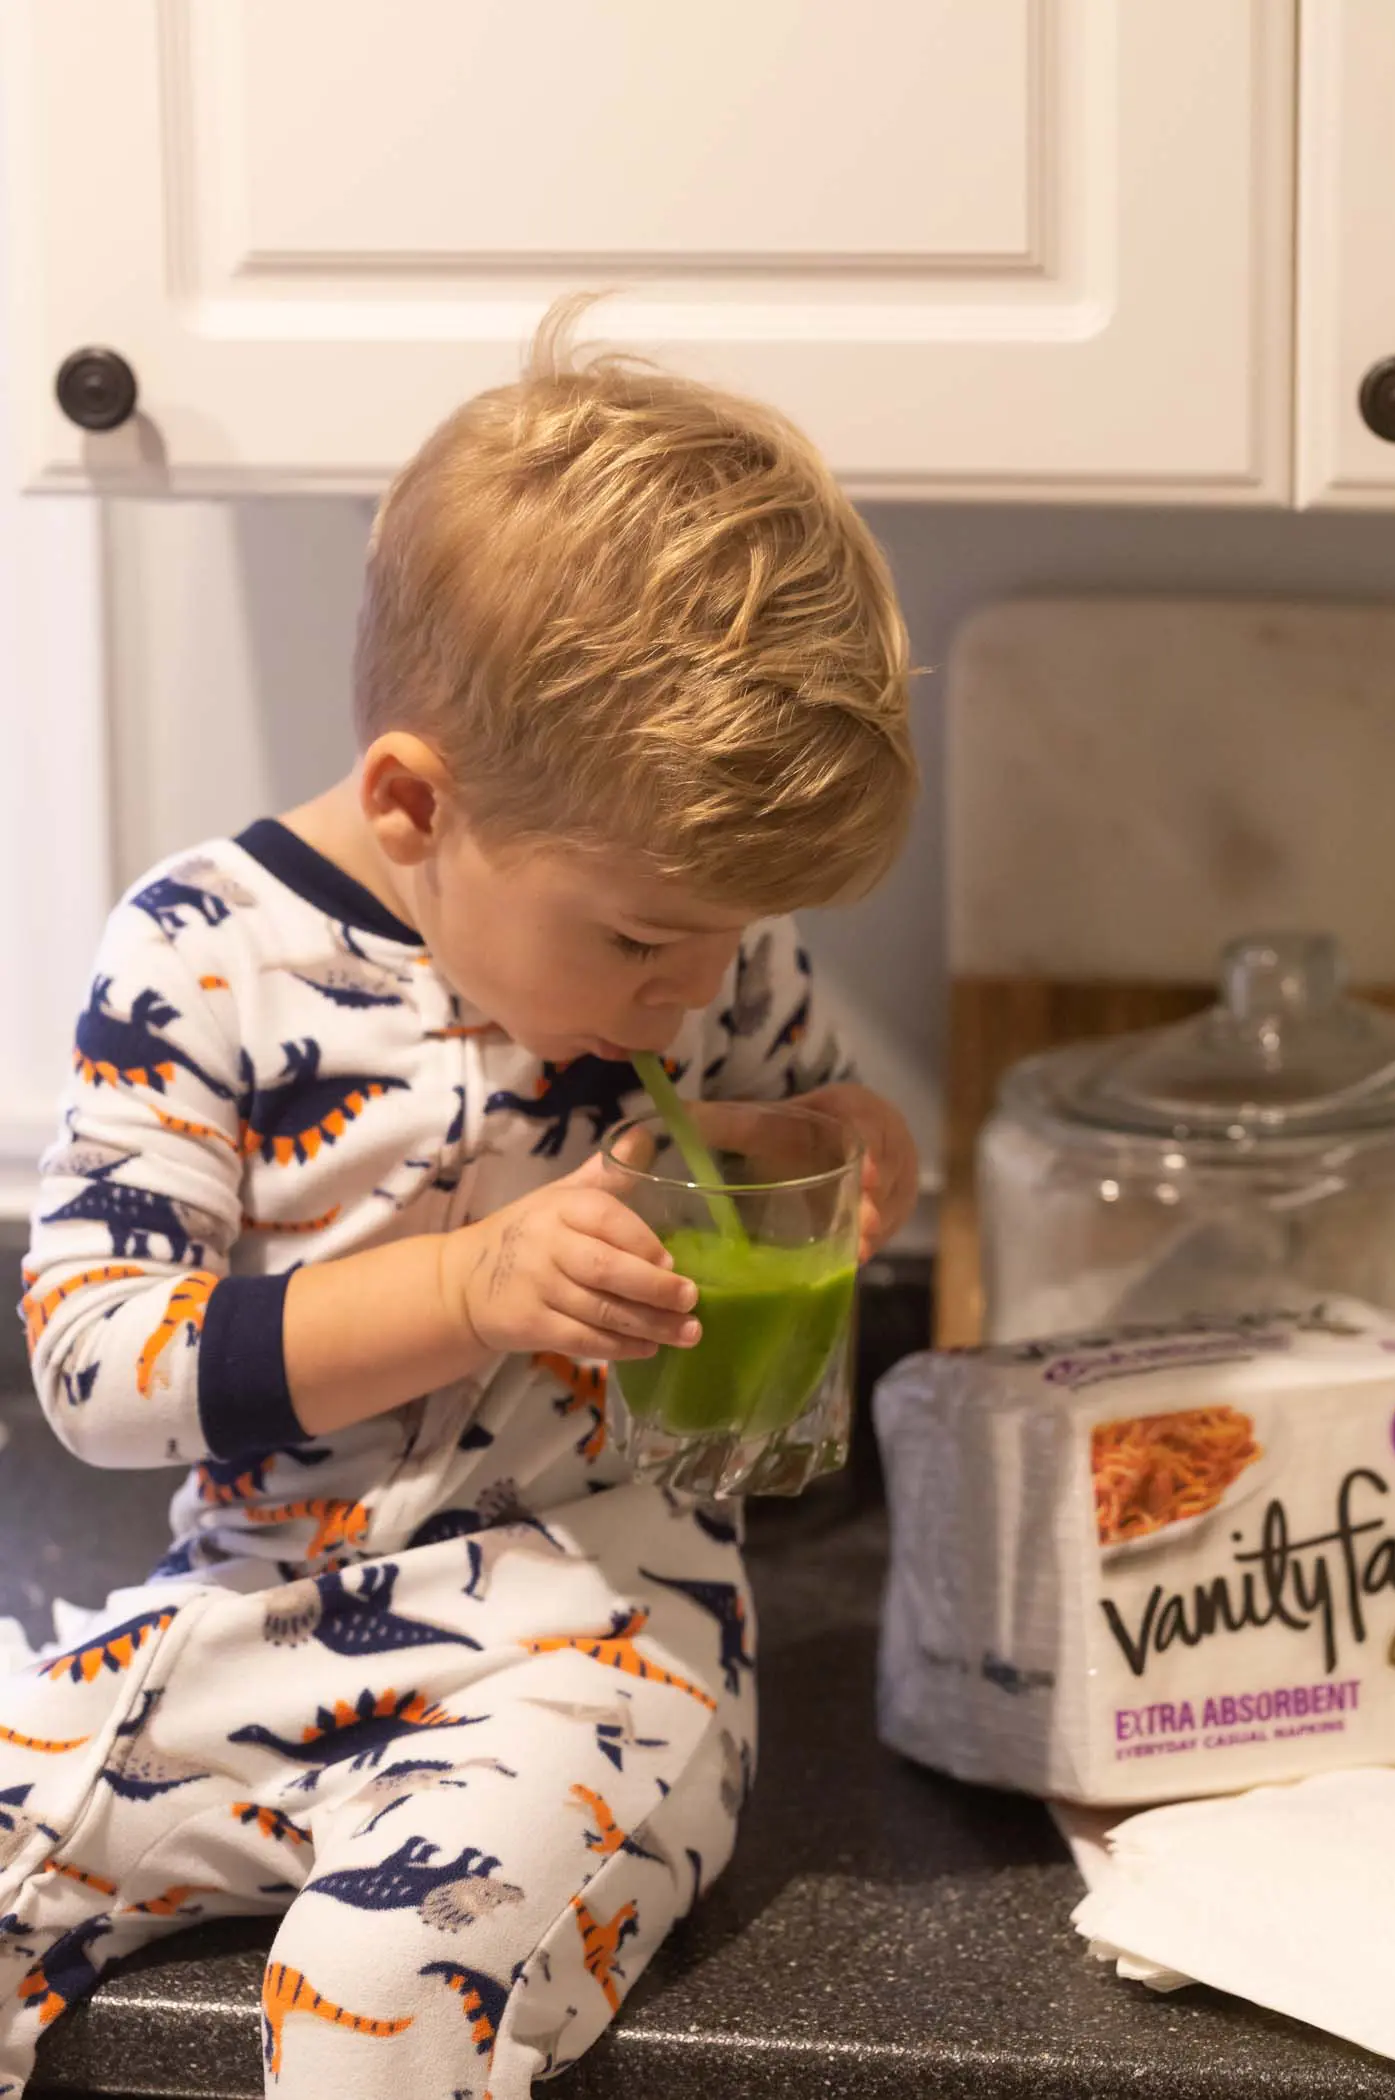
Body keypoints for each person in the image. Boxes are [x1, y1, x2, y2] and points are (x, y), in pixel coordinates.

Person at [3, 303, 918, 2097]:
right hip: (242, 1625)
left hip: (590, 1641)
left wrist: (848, 1139)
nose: (695, 994)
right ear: (416, 802)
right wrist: (477, 1283)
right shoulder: (205, 959)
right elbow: (95, 1371)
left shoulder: (705, 958)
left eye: (727, 942)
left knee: (382, 1973)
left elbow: (777, 1130)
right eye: (647, 942)